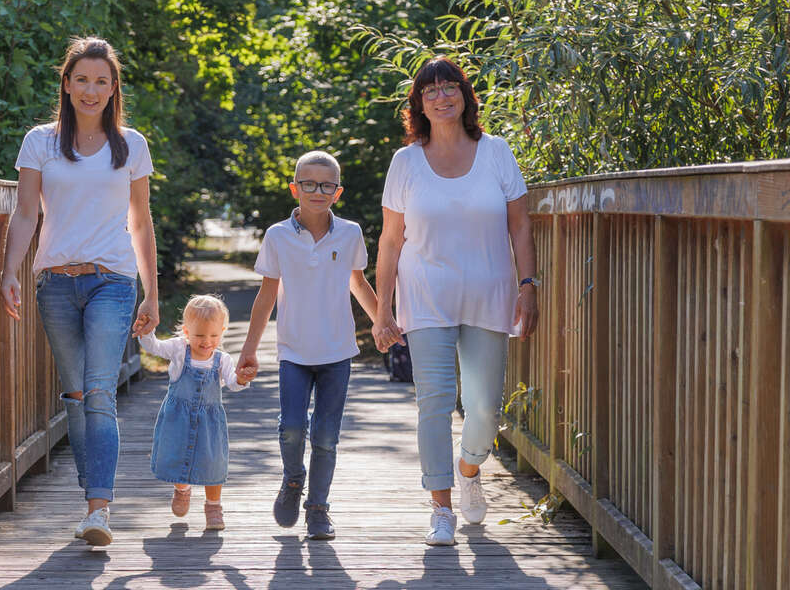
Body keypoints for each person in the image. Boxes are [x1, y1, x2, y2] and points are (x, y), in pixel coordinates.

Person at [372, 55, 539, 546]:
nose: (441, 96)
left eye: (450, 87)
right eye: (430, 91)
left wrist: (529, 285)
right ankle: (440, 507)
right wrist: (383, 309)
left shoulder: (496, 152)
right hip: (425, 296)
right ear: (418, 104)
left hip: (491, 293)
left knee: (484, 409)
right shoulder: (405, 163)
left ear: (465, 96)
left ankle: (469, 469)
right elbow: (390, 241)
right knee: (435, 402)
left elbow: (521, 225)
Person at [0, 36, 159, 546]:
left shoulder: (131, 145)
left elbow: (140, 220)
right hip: (55, 284)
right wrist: (10, 271)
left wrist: (151, 293)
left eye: (102, 81)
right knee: (73, 393)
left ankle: (99, 509)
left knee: (98, 391)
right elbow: (26, 212)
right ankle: (90, 497)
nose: (92, 90)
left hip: (113, 280)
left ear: (114, 89)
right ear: (66, 84)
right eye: (82, 80)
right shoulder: (40, 142)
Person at [237, 151, 378, 540]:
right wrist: (249, 348)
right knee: (292, 429)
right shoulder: (278, 235)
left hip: (337, 352)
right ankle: (293, 478)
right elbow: (266, 295)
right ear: (294, 188)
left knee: (327, 437)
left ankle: (318, 508)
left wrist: (384, 321)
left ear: (338, 192)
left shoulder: (349, 233)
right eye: (310, 184)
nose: (318, 191)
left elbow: (358, 283)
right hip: (294, 352)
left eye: (327, 185)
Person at [138, 295, 254, 530]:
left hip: (209, 422)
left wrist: (241, 377)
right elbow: (154, 347)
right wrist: (145, 331)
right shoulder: (179, 350)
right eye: (200, 335)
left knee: (213, 462)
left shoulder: (223, 359)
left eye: (213, 335)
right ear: (186, 331)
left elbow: (232, 382)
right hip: (177, 419)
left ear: (222, 332)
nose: (207, 341)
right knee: (178, 454)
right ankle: (182, 489)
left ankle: (213, 506)